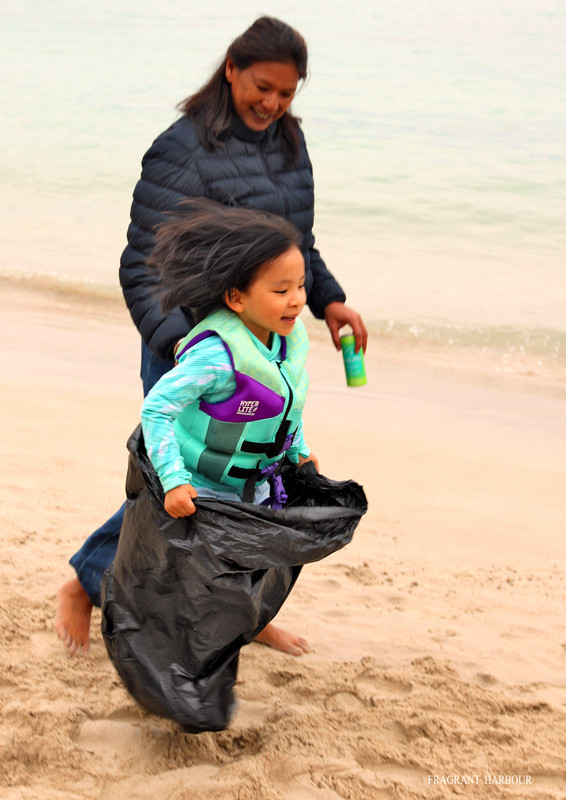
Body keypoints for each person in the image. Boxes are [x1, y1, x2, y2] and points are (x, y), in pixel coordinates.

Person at [56, 15, 367, 656]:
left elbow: (294, 247)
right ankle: (86, 581)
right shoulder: (182, 148)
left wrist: (329, 299)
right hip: (193, 347)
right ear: (231, 69)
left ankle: (245, 615)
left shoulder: (289, 144)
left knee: (259, 479)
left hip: (264, 344)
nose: (273, 103)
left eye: (287, 93)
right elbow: (140, 263)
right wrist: (184, 351)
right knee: (185, 488)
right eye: (262, 87)